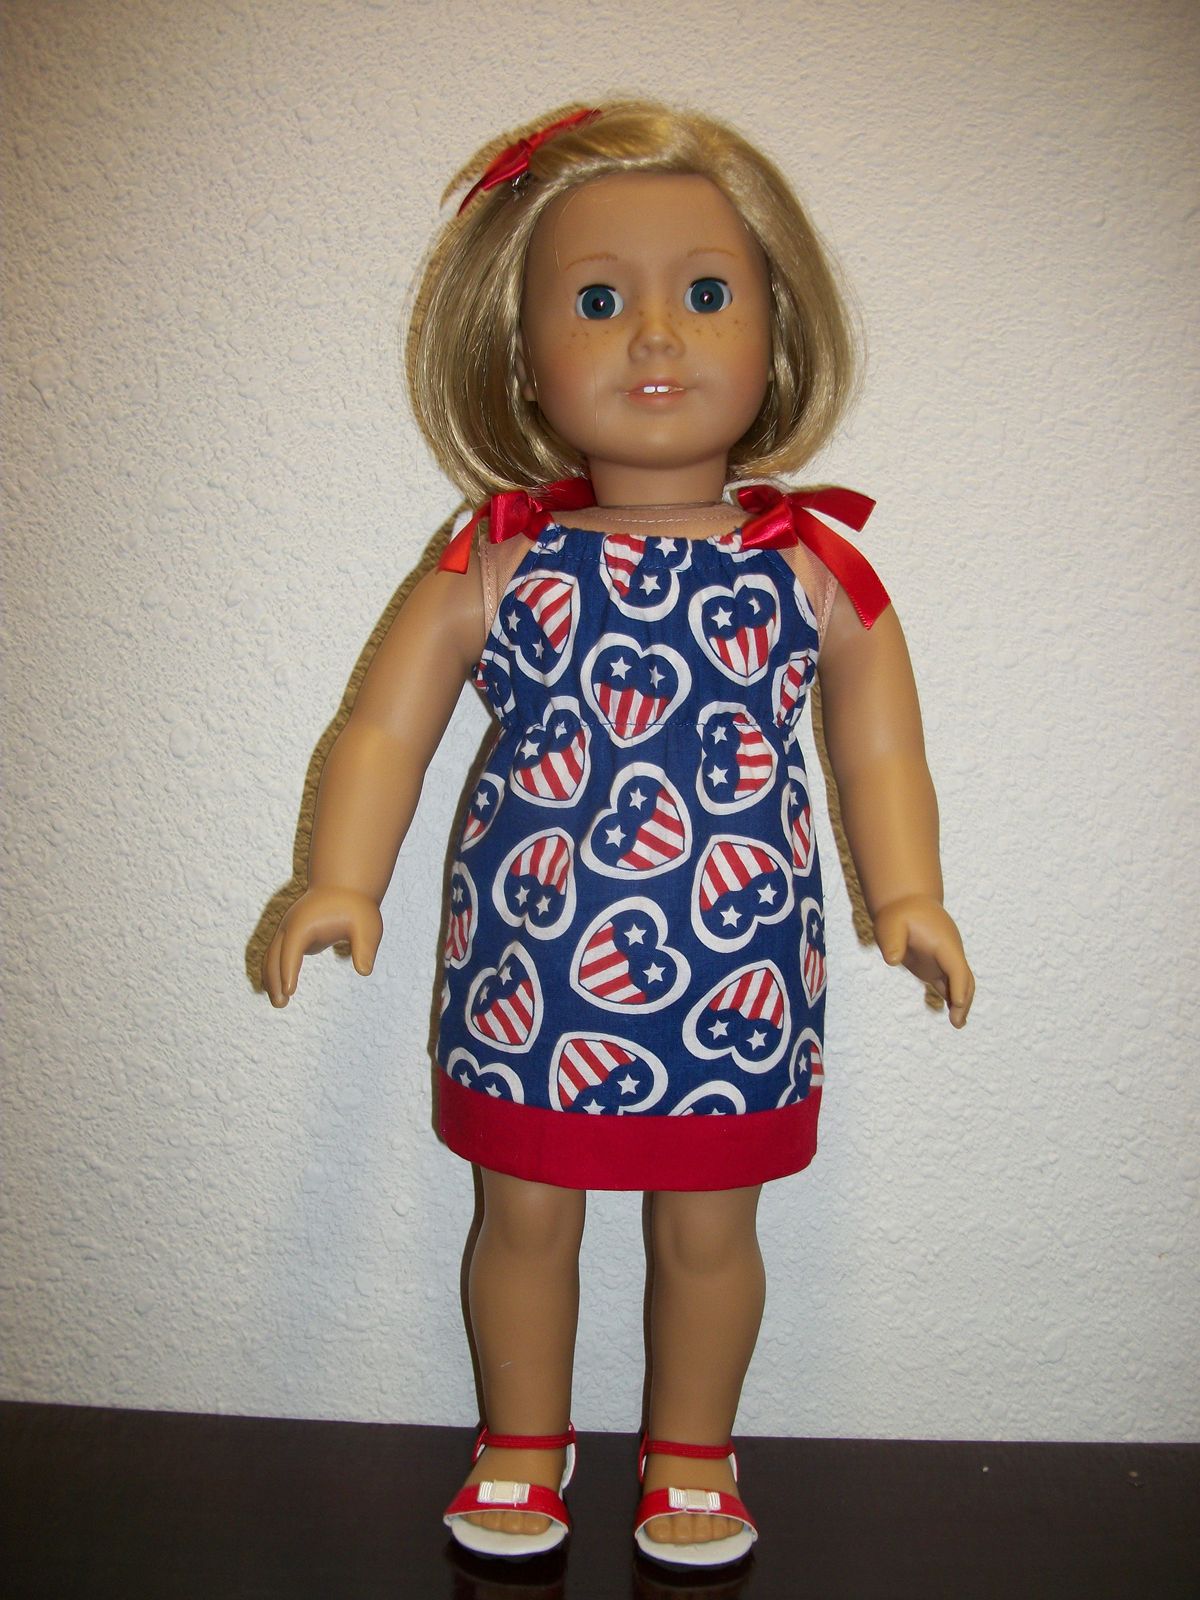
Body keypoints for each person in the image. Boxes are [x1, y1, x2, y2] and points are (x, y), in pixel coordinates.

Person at [262, 100, 974, 1571]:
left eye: (705, 293)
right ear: (522, 356)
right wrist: (338, 877)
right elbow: (384, 731)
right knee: (522, 1214)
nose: (655, 335)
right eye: (598, 301)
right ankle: (523, 1441)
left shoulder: (812, 569)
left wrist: (910, 894)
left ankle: (692, 1453)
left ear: (777, 331)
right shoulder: (496, 559)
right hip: (533, 961)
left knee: (711, 1229)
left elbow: (882, 748)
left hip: (739, 966)